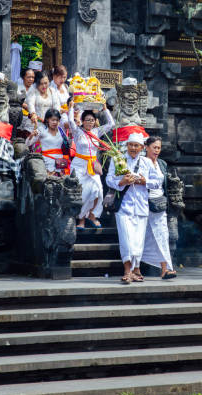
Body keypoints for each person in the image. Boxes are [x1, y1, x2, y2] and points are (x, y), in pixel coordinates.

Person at [106, 133, 160, 284]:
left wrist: (144, 181)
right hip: (124, 206)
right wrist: (122, 182)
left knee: (138, 241)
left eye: (136, 145)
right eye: (131, 145)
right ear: (127, 145)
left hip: (141, 206)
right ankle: (127, 270)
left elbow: (157, 182)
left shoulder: (147, 162)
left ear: (142, 148)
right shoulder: (118, 159)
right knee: (126, 240)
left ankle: (136, 269)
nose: (133, 148)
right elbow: (109, 179)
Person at [68, 99, 115, 228]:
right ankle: (81, 220)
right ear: (83, 121)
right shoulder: (78, 132)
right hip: (79, 165)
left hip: (93, 165)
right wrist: (71, 108)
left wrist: (105, 109)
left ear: (95, 122)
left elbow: (111, 123)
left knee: (98, 190)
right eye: (87, 120)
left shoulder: (96, 132)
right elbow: (71, 122)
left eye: (92, 120)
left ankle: (92, 215)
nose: (89, 122)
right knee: (83, 193)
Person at [141, 136, 176, 279]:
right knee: (144, 237)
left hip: (160, 203)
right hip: (145, 202)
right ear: (147, 147)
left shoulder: (162, 163)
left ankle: (165, 269)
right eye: (154, 147)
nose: (157, 150)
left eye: (159, 148)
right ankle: (135, 268)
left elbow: (164, 184)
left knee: (162, 235)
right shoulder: (142, 162)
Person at [26, 108, 67, 175]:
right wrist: (31, 135)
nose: (55, 122)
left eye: (57, 120)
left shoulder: (61, 131)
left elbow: (68, 144)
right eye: (53, 120)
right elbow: (27, 143)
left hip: (60, 163)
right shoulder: (41, 130)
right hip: (47, 162)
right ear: (47, 120)